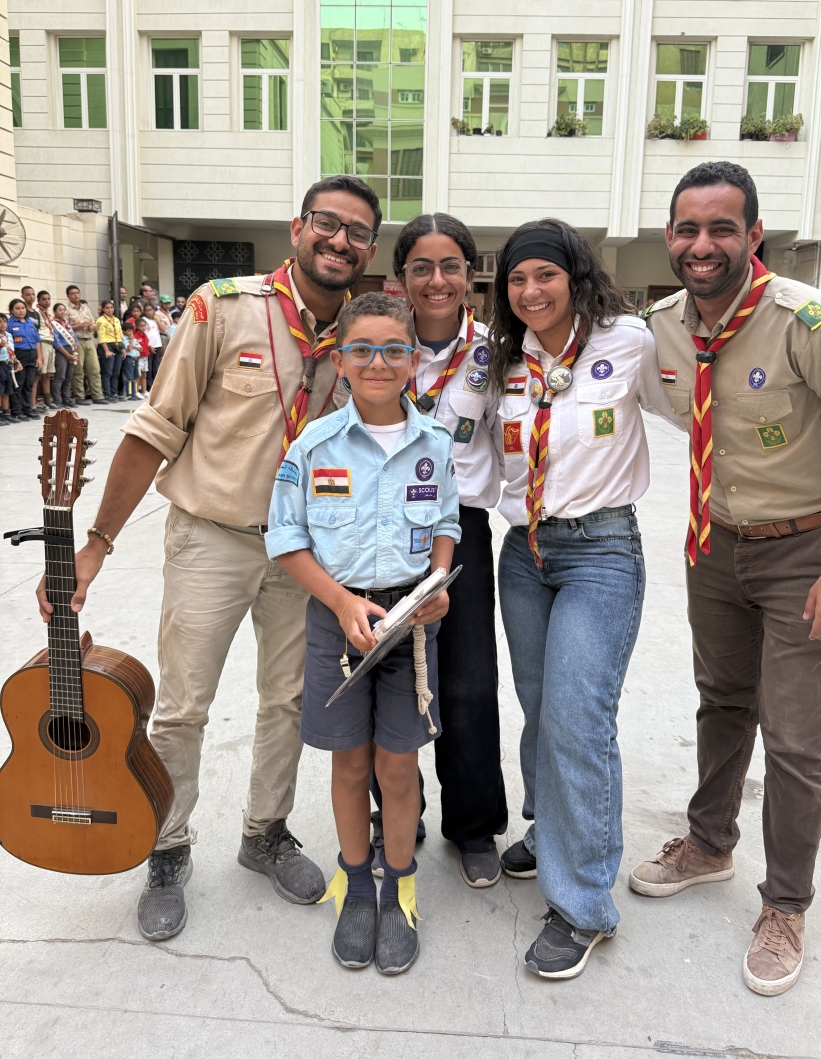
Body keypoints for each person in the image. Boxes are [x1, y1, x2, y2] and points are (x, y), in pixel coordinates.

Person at [37, 175, 381, 943]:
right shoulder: (222, 308)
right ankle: (166, 847)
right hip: (212, 538)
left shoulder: (363, 336)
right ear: (297, 228)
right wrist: (96, 543)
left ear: (368, 249)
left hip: (304, 554)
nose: (339, 241)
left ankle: (265, 832)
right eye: (327, 223)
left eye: (357, 232)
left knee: (288, 701)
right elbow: (155, 428)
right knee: (183, 707)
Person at [631, 161, 821, 997]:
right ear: (669, 237)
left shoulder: (812, 322)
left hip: (805, 552)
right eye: (687, 229)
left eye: (721, 228)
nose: (702, 244)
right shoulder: (663, 328)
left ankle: (786, 904)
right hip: (714, 544)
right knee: (722, 702)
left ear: (753, 235)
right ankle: (710, 844)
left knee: (794, 735)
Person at [488, 219, 678, 980]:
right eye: (516, 279)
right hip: (523, 552)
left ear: (575, 277)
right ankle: (551, 833)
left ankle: (583, 904)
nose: (531, 291)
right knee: (541, 709)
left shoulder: (627, 342)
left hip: (601, 551)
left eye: (545, 275)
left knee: (578, 718)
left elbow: (691, 406)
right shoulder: (506, 361)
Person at [267, 292, 459, 974]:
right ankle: (354, 883)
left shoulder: (435, 443)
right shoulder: (314, 444)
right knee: (349, 762)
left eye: (394, 349)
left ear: (414, 359)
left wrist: (436, 585)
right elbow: (286, 537)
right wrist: (342, 602)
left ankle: (399, 887)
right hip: (336, 620)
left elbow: (446, 523)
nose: (379, 362)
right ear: (341, 361)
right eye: (362, 350)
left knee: (398, 765)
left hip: (410, 625)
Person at [382, 212, 507, 888]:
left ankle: (474, 822)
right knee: (387, 674)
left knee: (467, 681)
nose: (437, 280)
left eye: (450, 266)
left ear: (469, 274)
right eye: (421, 267)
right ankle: (396, 811)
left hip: (462, 532)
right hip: (379, 531)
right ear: (401, 277)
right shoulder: (378, 342)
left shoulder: (496, 350)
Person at [66, 284, 103, 404]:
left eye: (77, 293)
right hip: (76, 341)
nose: (75, 295)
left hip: (88, 339)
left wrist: (92, 327)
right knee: (78, 370)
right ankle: (79, 396)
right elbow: (65, 327)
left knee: (94, 368)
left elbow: (93, 322)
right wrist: (80, 325)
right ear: (68, 296)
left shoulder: (85, 308)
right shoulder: (67, 309)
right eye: (72, 293)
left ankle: (97, 395)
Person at [7, 298, 41, 421]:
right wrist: (14, 359)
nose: (21, 311)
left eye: (23, 308)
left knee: (29, 383)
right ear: (12, 310)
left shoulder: (30, 323)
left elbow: (37, 341)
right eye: (17, 308)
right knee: (18, 384)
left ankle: (27, 409)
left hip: (32, 354)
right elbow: (7, 342)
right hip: (19, 355)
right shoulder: (9, 323)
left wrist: (39, 357)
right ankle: (17, 411)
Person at [20, 285, 44, 410]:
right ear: (22, 296)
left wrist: (40, 355)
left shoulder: (36, 314)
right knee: (24, 380)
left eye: (33, 294)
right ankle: (24, 406)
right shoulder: (22, 312)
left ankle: (33, 404)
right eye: (28, 294)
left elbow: (37, 335)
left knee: (35, 378)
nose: (31, 297)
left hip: (35, 348)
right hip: (24, 349)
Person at [50, 302, 79, 408]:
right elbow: (56, 342)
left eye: (64, 310)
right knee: (60, 376)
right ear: (54, 312)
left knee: (68, 376)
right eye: (59, 310)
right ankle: (57, 400)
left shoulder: (66, 323)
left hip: (71, 350)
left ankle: (67, 398)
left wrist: (75, 352)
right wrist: (68, 355)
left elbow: (74, 338)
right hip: (61, 351)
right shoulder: (54, 324)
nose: (62, 312)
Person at [96, 300, 125, 403]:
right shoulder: (100, 321)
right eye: (107, 308)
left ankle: (114, 392)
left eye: (111, 308)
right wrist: (106, 350)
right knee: (107, 371)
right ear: (103, 309)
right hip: (107, 346)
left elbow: (121, 335)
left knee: (116, 372)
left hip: (118, 346)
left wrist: (123, 348)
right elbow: (101, 337)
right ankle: (107, 394)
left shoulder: (116, 320)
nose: (110, 310)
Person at [35, 290, 56, 410]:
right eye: (44, 299)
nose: (47, 301)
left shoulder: (48, 313)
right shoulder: (37, 313)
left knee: (47, 374)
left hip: (50, 343)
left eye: (48, 299)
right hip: (42, 342)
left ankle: (48, 401)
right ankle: (35, 402)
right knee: (40, 374)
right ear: (38, 300)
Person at [0, 312, 17, 425]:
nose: (2, 324)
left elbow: (12, 351)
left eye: (4, 321)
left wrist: (16, 361)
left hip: (8, 364)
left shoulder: (9, 335)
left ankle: (6, 413)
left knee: (7, 390)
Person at [141, 305, 163, 389]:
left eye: (150, 310)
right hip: (149, 346)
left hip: (158, 344)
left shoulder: (155, 320)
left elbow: (163, 329)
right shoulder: (143, 320)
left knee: (156, 366)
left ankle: (156, 384)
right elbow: (143, 334)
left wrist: (156, 319)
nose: (149, 312)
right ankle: (149, 385)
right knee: (149, 367)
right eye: (147, 310)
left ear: (154, 310)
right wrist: (149, 345)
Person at [122, 320, 142, 401]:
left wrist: (133, 345)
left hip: (136, 358)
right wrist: (132, 341)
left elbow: (141, 349)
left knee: (135, 376)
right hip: (129, 358)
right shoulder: (125, 339)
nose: (131, 332)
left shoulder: (133, 339)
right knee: (129, 377)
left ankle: (134, 393)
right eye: (129, 331)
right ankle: (129, 394)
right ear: (124, 332)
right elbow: (129, 348)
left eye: (131, 331)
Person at [132, 316, 151, 396]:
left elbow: (147, 345)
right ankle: (136, 391)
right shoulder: (135, 336)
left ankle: (144, 391)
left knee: (144, 374)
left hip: (145, 357)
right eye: (141, 326)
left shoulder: (145, 335)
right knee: (138, 375)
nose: (143, 327)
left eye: (144, 326)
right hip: (139, 358)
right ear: (137, 326)